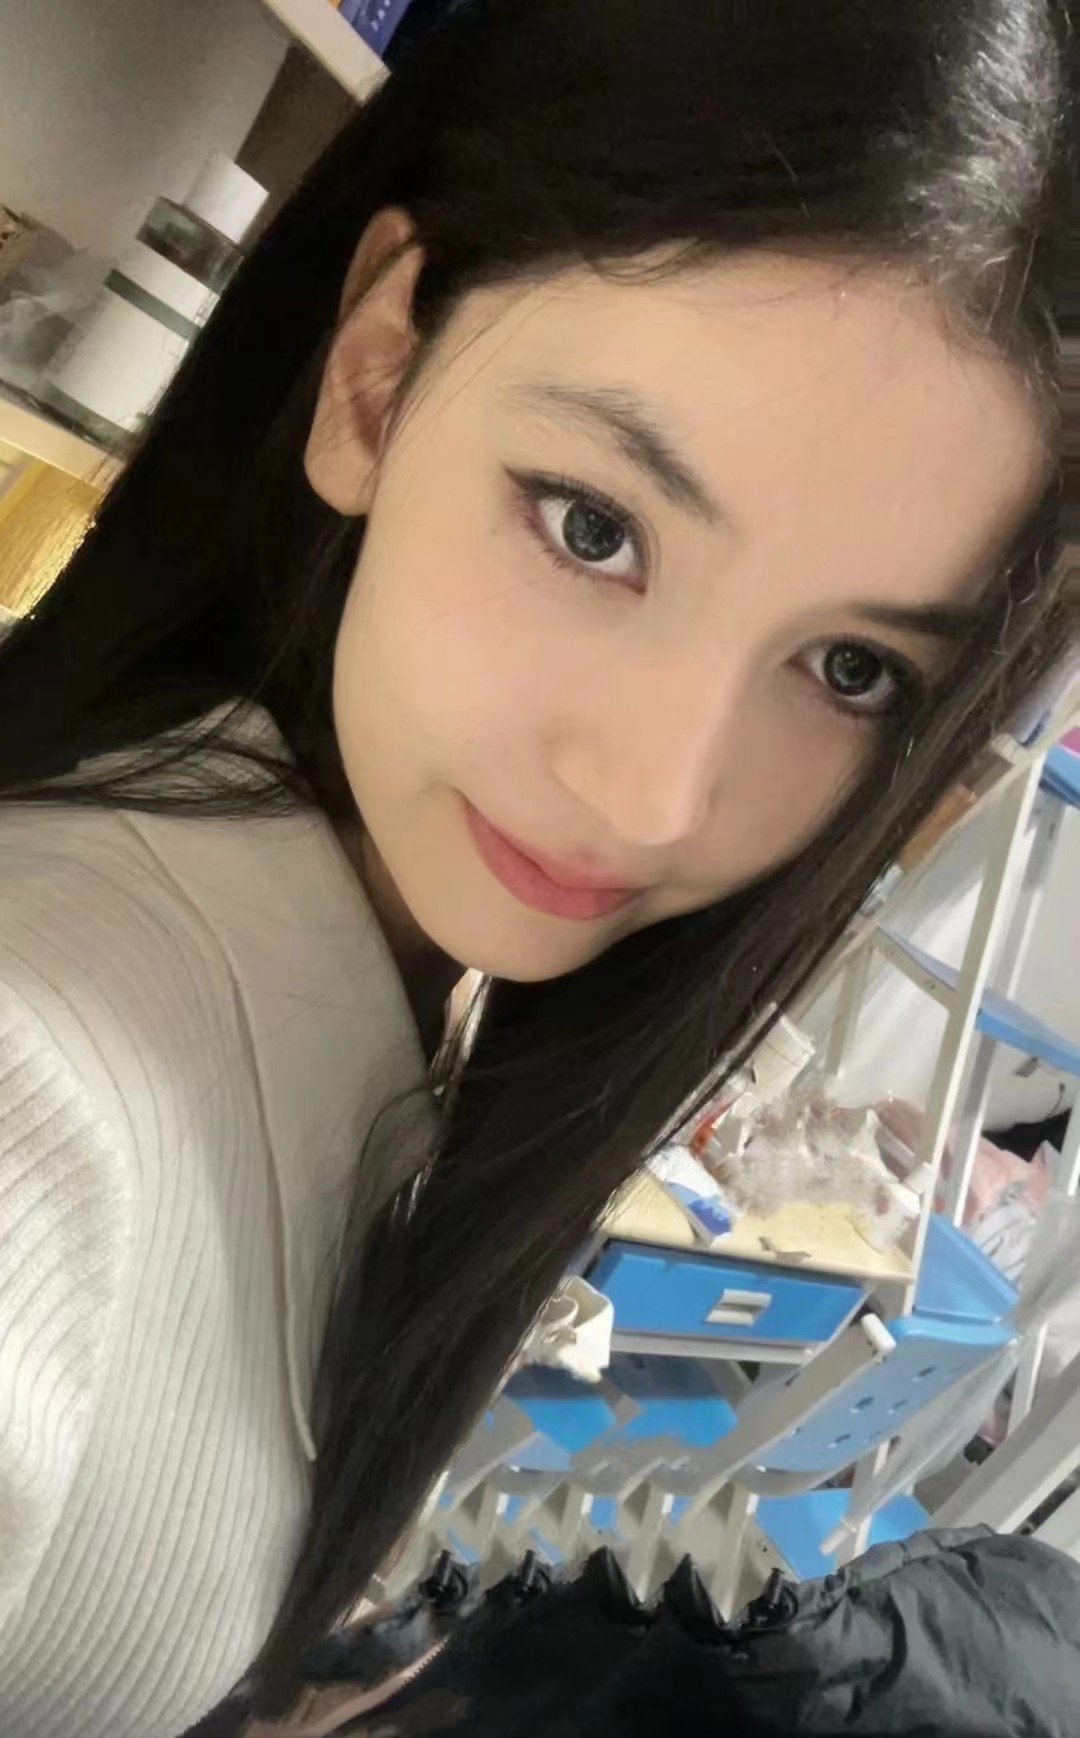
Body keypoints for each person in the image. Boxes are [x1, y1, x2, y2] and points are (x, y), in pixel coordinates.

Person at [0, 1, 1075, 1733]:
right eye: (595, 526)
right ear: (377, 377)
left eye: (850, 666)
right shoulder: (40, 1101)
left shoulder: (405, 967)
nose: (653, 798)